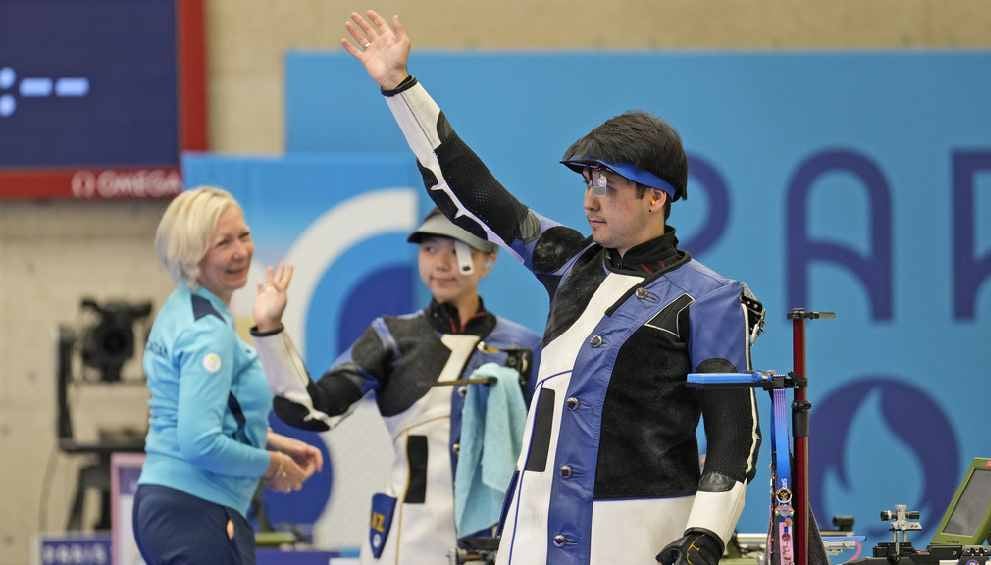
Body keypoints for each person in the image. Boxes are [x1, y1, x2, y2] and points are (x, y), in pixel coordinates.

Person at [337, 11, 766, 565]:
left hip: (640, 536)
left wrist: (705, 537)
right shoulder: (569, 261)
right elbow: (473, 194)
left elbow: (734, 434)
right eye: (588, 182)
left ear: (656, 198)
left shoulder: (711, 298)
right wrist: (400, 88)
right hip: (531, 531)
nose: (590, 200)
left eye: (608, 186)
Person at [251, 209, 540, 564]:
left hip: (498, 538)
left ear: (489, 259)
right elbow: (311, 410)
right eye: (430, 249)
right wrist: (270, 330)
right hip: (409, 541)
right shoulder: (392, 337)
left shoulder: (525, 346)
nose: (442, 262)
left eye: (458, 250)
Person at [133, 187, 323, 565]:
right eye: (223, 243)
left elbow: (203, 413)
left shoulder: (183, 308)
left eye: (244, 236)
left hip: (171, 504)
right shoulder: (209, 333)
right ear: (192, 254)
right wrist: (273, 465)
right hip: (195, 510)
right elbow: (199, 442)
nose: (241, 252)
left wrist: (271, 441)